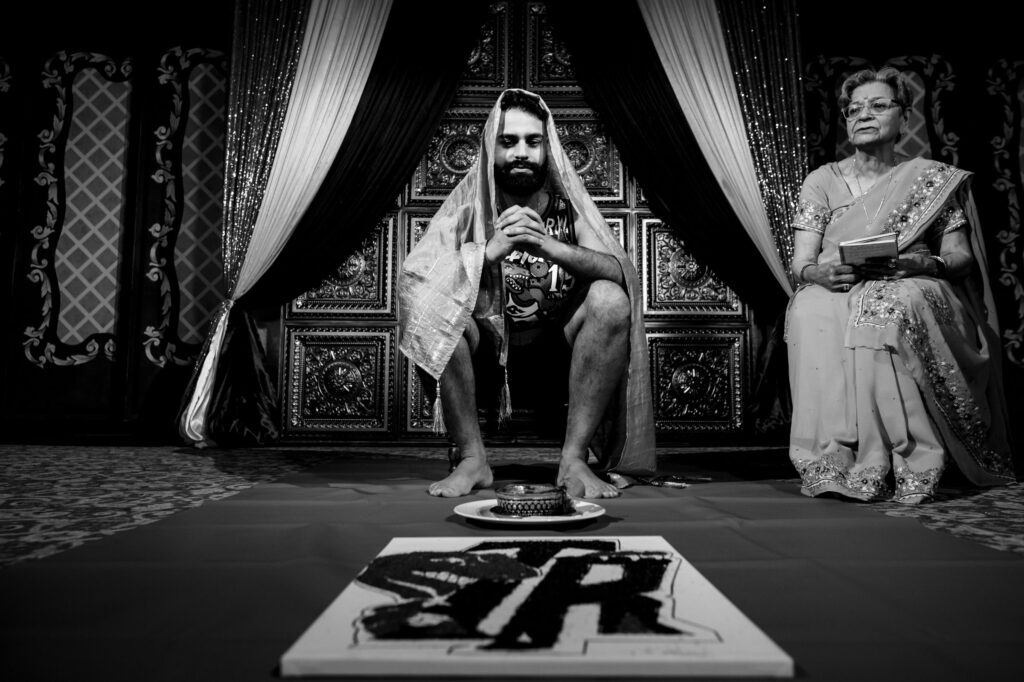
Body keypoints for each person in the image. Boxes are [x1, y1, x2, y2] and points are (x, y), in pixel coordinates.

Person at [398, 88, 656, 499]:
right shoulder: (467, 213)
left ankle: (573, 460)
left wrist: (549, 246)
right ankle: (472, 460)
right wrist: (487, 252)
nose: (521, 152)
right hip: (485, 361)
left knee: (610, 298)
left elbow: (618, 272)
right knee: (438, 305)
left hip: (562, 360)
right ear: (491, 148)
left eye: (532, 142)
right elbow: (416, 286)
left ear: (546, 148)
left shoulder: (569, 212)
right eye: (509, 141)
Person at [786, 66, 1016, 504]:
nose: (862, 115)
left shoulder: (928, 179)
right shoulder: (823, 180)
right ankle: (833, 457)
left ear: (903, 117)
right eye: (853, 109)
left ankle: (912, 457)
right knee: (810, 309)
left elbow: (960, 258)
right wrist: (818, 274)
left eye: (877, 105)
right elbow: (802, 262)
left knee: (889, 303)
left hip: (912, 279)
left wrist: (919, 262)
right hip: (837, 284)